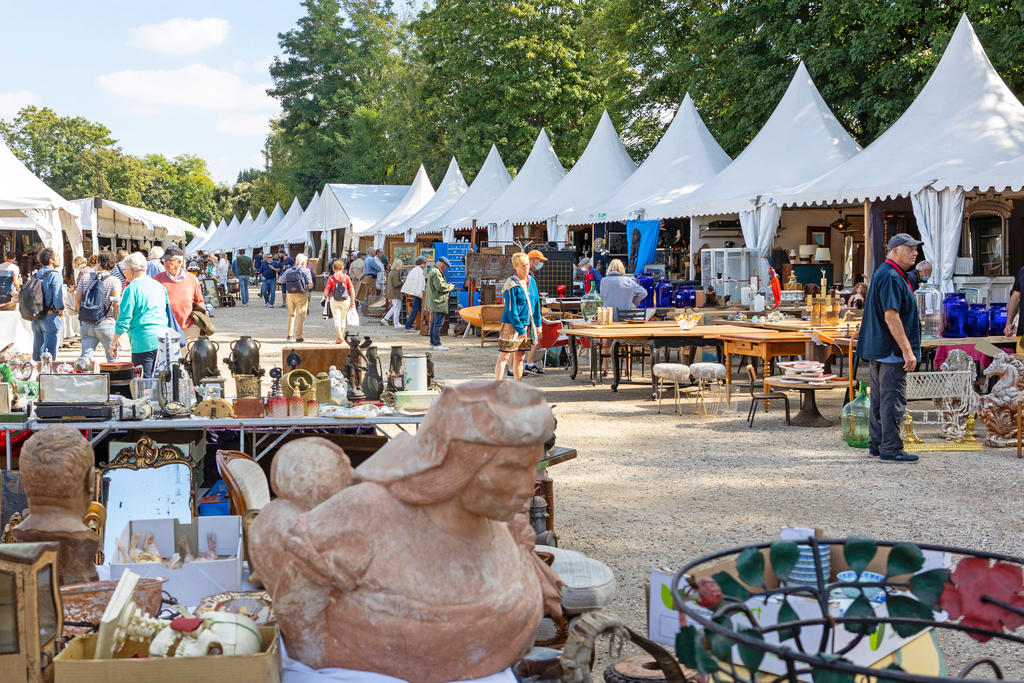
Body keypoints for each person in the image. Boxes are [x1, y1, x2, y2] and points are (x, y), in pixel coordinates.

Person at [857, 233, 923, 464]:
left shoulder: (885, 272)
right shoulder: (892, 276)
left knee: (879, 398)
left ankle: (877, 444)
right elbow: (891, 316)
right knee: (892, 400)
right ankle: (891, 448)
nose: (915, 252)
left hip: (879, 347)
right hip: (891, 349)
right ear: (894, 251)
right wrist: (907, 350)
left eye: (916, 248)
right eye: (909, 248)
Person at [112, 252, 171, 378]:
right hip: (163, 336)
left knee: (144, 378)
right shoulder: (159, 286)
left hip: (143, 338)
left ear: (131, 271)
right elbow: (167, 312)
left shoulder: (131, 288)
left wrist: (114, 342)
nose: (124, 273)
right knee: (162, 378)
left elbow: (124, 319)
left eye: (125, 271)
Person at [494, 253, 536, 381]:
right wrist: (520, 329)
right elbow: (512, 310)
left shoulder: (531, 281)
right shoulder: (511, 284)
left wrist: (538, 324)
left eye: (527, 265)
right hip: (511, 324)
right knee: (504, 356)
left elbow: (536, 303)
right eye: (523, 266)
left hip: (526, 323)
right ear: (515, 267)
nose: (526, 268)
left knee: (520, 357)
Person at [76, 250, 122, 362]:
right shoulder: (114, 281)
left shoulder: (85, 277)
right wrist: (118, 317)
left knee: (85, 359)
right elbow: (116, 302)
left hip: (87, 324)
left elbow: (77, 300)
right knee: (112, 359)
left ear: (99, 263)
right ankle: (113, 379)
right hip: (107, 323)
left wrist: (84, 314)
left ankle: (83, 377)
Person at [155, 246, 205, 341]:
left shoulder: (192, 279)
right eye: (164, 260)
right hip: (165, 329)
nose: (165, 262)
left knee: (187, 355)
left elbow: (200, 302)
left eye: (169, 260)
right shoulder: (158, 279)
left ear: (179, 261)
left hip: (188, 328)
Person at [29, 247, 65, 361]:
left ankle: (35, 375)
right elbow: (57, 297)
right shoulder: (55, 275)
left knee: (37, 350)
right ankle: (48, 376)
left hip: (36, 317)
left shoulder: (35, 275)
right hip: (50, 316)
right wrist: (61, 310)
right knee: (49, 354)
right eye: (57, 256)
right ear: (51, 260)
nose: (59, 258)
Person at [522, 250, 547, 376]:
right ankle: (528, 364)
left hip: (528, 312)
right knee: (533, 338)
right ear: (533, 260)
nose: (540, 263)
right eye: (539, 261)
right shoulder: (528, 277)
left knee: (531, 339)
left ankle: (523, 364)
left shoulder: (528, 275)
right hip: (529, 313)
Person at [282, 253, 314, 342]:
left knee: (291, 314)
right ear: (303, 262)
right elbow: (310, 284)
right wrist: (307, 288)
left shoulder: (289, 270)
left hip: (290, 294)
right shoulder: (306, 270)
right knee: (301, 315)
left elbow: (281, 280)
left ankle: (289, 334)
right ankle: (299, 336)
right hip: (301, 294)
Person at [425, 256, 455, 350]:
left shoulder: (433, 271)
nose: (445, 268)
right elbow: (440, 286)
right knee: (438, 323)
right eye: (445, 266)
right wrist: (450, 287)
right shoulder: (436, 272)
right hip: (438, 301)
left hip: (435, 301)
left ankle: (432, 342)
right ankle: (436, 343)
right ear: (442, 263)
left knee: (434, 322)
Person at [324, 260, 356, 343]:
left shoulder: (331, 278)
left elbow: (326, 291)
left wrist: (326, 297)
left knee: (336, 318)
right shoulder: (346, 277)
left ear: (333, 268)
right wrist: (352, 301)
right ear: (342, 268)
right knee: (342, 318)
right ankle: (340, 336)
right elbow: (351, 289)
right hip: (346, 300)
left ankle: (340, 336)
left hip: (334, 299)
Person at [402, 256, 427, 332]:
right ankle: (408, 327)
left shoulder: (415, 269)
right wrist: (420, 294)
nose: (425, 265)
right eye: (425, 263)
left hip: (416, 292)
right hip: (418, 293)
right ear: (421, 263)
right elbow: (419, 283)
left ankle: (425, 324)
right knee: (415, 310)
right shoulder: (419, 271)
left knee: (419, 309)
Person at [381, 258, 404, 327]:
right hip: (395, 293)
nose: (401, 266)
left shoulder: (391, 272)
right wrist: (402, 281)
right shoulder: (395, 273)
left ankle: (385, 319)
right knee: (397, 307)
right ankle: (396, 323)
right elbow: (396, 284)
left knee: (394, 307)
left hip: (392, 292)